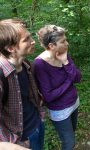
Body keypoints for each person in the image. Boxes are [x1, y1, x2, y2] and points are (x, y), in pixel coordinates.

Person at [33, 25, 81, 150]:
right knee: (69, 143)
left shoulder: (63, 54)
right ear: (51, 46)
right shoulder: (39, 64)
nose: (67, 43)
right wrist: (69, 80)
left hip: (74, 103)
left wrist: (66, 62)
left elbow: (78, 78)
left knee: (72, 132)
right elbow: (49, 96)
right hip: (60, 111)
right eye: (63, 41)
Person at [0, 19, 45, 150]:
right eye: (26, 39)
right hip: (20, 140)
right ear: (10, 48)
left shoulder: (26, 65)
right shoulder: (2, 74)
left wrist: (40, 116)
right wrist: (13, 146)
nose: (33, 41)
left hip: (37, 124)